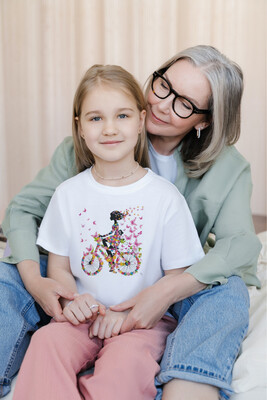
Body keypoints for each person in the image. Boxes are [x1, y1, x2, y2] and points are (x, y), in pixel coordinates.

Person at [0, 45, 262, 399]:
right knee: (8, 274)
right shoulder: (89, 146)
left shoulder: (223, 168)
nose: (161, 104)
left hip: (167, 279)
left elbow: (241, 244)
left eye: (184, 103)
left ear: (205, 120)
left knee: (227, 288)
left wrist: (162, 294)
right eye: (162, 85)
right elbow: (23, 211)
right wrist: (37, 281)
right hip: (83, 286)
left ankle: (189, 381)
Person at [12, 64, 204, 400]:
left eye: (123, 116)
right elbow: (58, 266)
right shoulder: (67, 194)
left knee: (124, 367)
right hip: (82, 318)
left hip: (142, 324)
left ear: (142, 122)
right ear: (80, 128)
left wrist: (128, 314)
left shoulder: (165, 198)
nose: (110, 129)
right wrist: (72, 301)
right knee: (45, 343)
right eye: (95, 118)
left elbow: (177, 277)